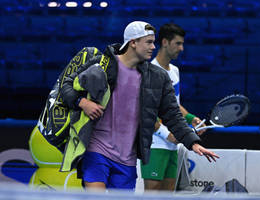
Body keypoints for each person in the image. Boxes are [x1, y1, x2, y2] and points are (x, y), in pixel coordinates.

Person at [60, 21, 219, 191]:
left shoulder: (158, 77)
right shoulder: (101, 65)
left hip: (127, 160)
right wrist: (82, 102)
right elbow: (65, 85)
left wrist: (193, 142)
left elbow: (172, 114)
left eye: (153, 41)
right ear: (133, 43)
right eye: (149, 42)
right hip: (96, 150)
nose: (153, 46)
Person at [140, 23, 206, 192]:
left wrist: (191, 118)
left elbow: (173, 105)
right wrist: (166, 134)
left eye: (182, 43)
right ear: (164, 42)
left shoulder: (175, 71)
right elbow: (145, 111)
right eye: (178, 43)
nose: (182, 48)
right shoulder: (149, 71)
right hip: (154, 143)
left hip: (173, 144)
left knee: (169, 194)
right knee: (152, 194)